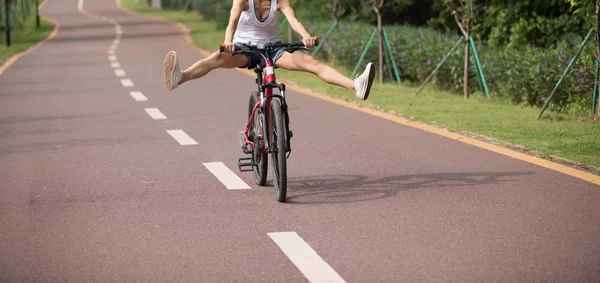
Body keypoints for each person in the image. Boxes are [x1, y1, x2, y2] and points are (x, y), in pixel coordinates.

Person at [164, 0, 375, 100]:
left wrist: (305, 37)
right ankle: (179, 78)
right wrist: (228, 42)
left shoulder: (280, 1)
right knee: (216, 57)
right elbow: (232, 22)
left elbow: (293, 20)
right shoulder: (243, 1)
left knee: (312, 63)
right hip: (244, 48)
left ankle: (355, 86)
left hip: (274, 49)